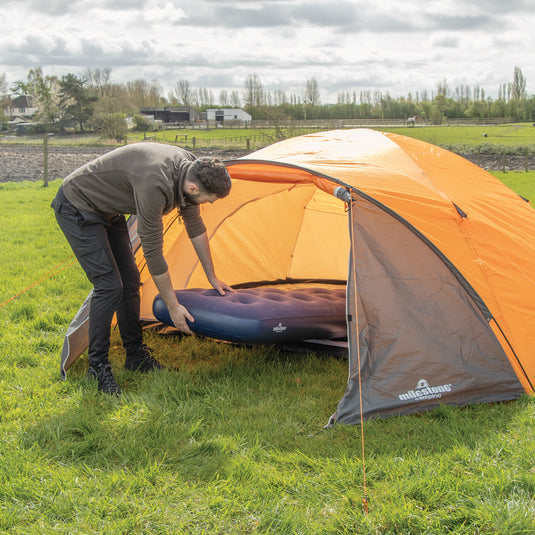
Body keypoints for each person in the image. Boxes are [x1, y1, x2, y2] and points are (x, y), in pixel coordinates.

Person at [51, 142, 233, 395]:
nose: (209, 204)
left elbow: (195, 225)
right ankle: (98, 367)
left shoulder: (192, 168)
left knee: (130, 282)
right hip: (78, 206)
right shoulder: (154, 183)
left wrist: (211, 275)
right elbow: (153, 251)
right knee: (109, 286)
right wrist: (173, 306)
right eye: (209, 200)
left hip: (109, 211)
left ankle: (135, 356)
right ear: (193, 188)